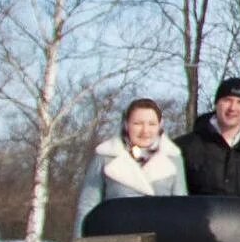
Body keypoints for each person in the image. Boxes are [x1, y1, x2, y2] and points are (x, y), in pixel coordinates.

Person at [77, 100, 187, 233]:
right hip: (115, 239)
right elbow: (87, 205)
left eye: (152, 124)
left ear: (160, 125)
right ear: (126, 124)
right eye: (137, 124)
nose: (145, 130)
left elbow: (181, 209)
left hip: (161, 239)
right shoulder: (105, 155)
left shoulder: (173, 158)